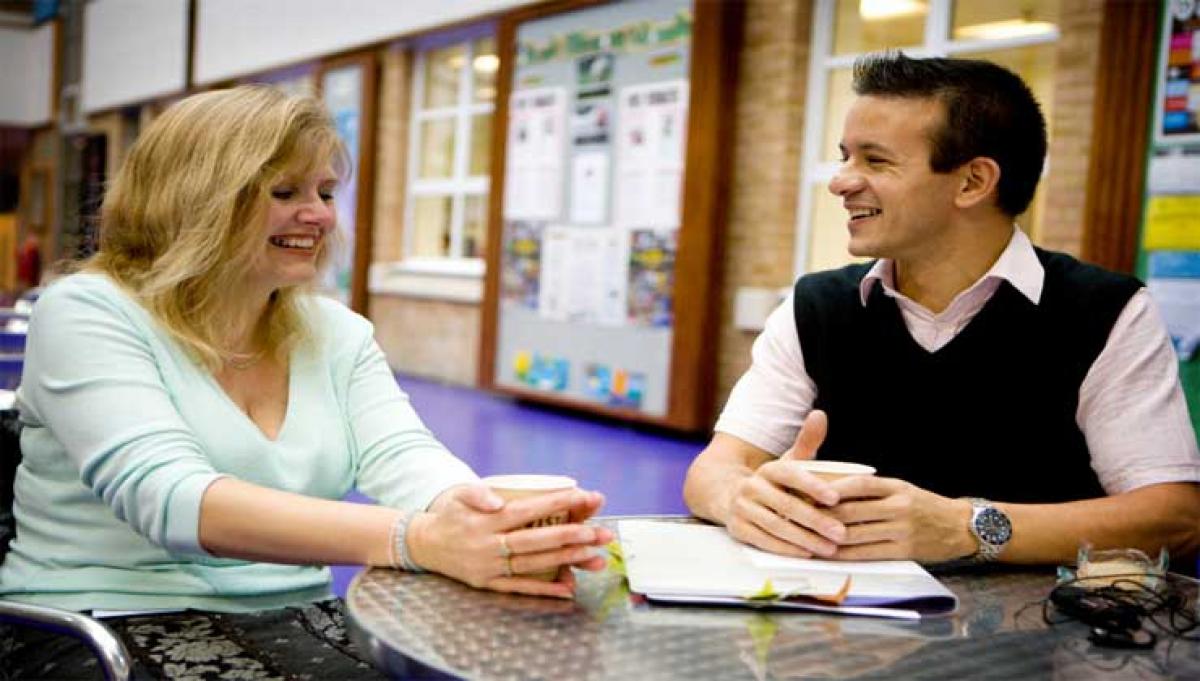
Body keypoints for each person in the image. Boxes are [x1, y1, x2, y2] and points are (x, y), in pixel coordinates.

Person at [0, 85, 612, 677]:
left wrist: (486, 520)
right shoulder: (87, 311)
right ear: (194, 197)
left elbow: (404, 456)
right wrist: (417, 539)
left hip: (297, 617)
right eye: (284, 190)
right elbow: (170, 498)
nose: (318, 214)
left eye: (325, 190)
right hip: (98, 624)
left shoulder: (335, 331)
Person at [684, 52, 1200, 569]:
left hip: (1039, 640)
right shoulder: (814, 306)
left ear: (973, 182)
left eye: (875, 160)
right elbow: (715, 470)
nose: (841, 182)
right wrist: (743, 501)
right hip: (841, 637)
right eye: (845, 156)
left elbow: (1174, 517)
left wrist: (964, 527)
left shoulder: (1106, 311)